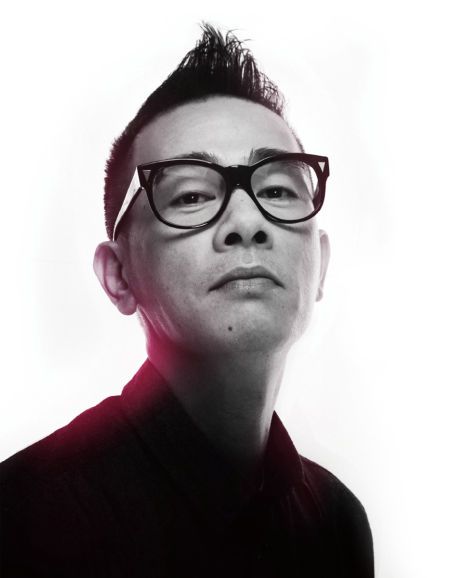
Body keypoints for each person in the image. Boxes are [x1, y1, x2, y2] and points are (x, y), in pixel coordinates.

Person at [0, 24, 374, 577]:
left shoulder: (338, 524)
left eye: (277, 190)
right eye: (193, 194)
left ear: (320, 262)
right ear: (118, 276)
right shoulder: (24, 517)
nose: (246, 222)